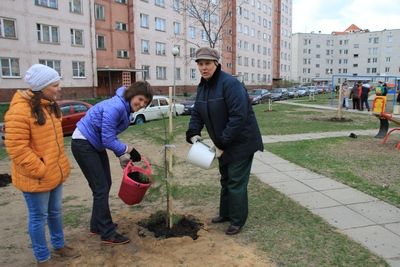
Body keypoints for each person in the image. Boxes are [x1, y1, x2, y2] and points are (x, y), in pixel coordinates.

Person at [4, 64, 80, 266]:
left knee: (55, 212)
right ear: (42, 87)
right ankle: (42, 257)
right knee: (38, 217)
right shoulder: (19, 111)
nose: (59, 88)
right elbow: (16, 148)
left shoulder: (49, 106)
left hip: (54, 173)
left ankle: (59, 245)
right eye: (55, 85)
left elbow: (53, 142)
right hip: (36, 176)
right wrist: (40, 169)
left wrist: (58, 165)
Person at [185, 47, 264, 235]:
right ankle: (226, 213)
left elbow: (239, 116)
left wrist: (221, 143)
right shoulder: (203, 87)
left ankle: (237, 221)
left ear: (216, 64)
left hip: (241, 142)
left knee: (236, 181)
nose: (204, 68)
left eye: (207, 64)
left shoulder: (230, 84)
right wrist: (192, 132)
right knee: (226, 179)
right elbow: (198, 112)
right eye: (200, 64)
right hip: (224, 143)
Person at [71, 81, 153, 245]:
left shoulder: (124, 107)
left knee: (104, 185)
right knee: (100, 187)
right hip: (84, 143)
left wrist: (121, 154)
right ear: (132, 94)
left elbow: (108, 136)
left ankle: (97, 225)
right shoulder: (115, 107)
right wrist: (128, 149)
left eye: (145, 102)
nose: (141, 104)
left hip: (94, 144)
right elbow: (108, 139)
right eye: (140, 99)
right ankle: (107, 232)